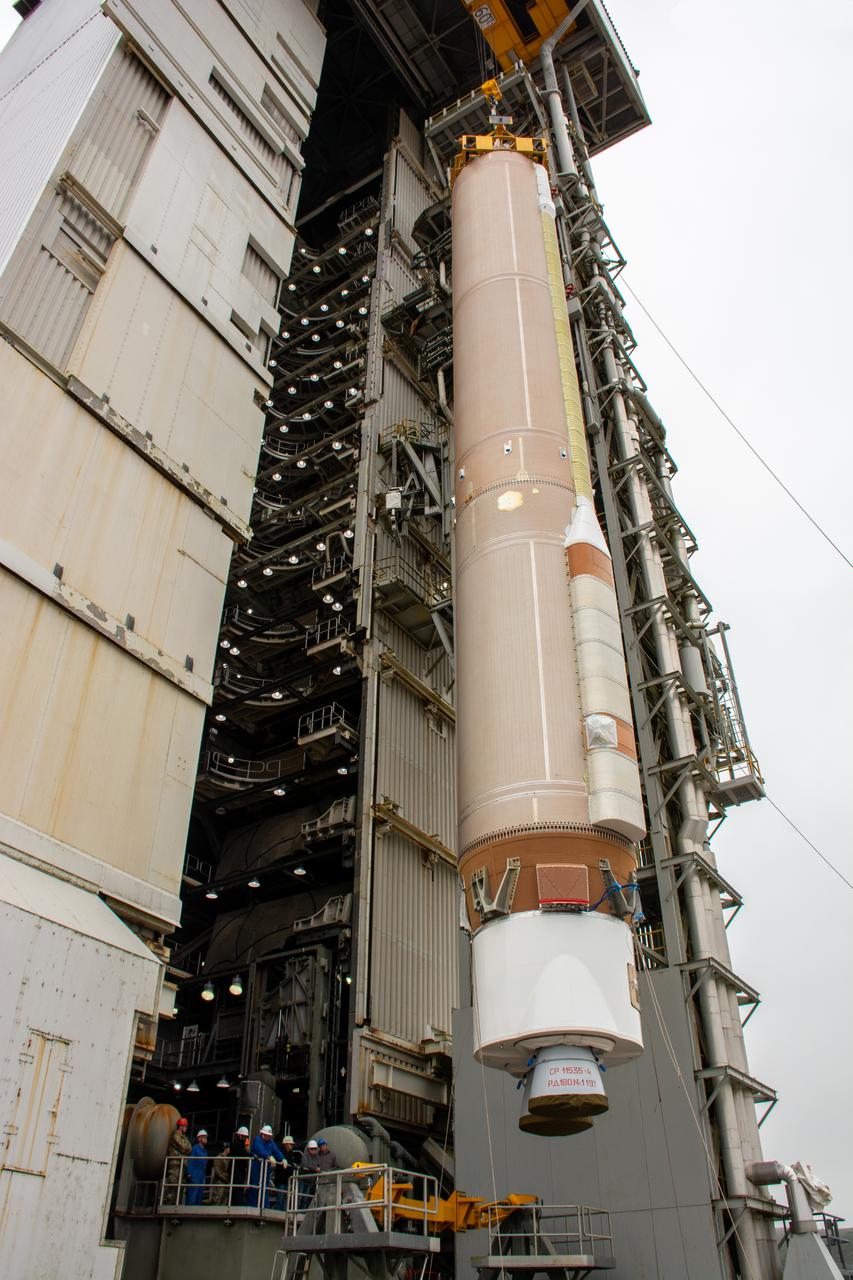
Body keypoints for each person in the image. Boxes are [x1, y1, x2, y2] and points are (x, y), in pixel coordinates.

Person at [300, 1137, 339, 1230]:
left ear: (326, 1145)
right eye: (320, 1146)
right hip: (315, 1180)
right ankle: (304, 1212)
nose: (321, 1147)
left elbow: (336, 1166)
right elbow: (307, 1165)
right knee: (306, 1197)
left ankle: (315, 1214)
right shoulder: (316, 1156)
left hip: (327, 1181)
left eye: (323, 1145)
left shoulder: (332, 1155)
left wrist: (330, 1173)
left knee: (316, 1199)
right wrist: (316, 1170)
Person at [247, 1124, 286, 1207]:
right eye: (268, 1135)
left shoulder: (270, 1142)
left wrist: (283, 1159)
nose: (269, 1137)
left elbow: (276, 1151)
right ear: (263, 1134)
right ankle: (252, 1205)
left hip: (265, 1168)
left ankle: (264, 1206)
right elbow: (259, 1149)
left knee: (264, 1187)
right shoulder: (257, 1140)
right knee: (254, 1186)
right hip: (256, 1166)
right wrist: (268, 1156)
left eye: (270, 1136)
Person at [163, 1117, 192, 1205]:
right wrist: (185, 1149)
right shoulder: (175, 1136)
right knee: (173, 1186)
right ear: (181, 1126)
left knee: (179, 1188)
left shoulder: (184, 1137)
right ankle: (167, 1206)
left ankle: (174, 1206)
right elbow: (184, 1147)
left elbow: (190, 1148)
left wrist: (186, 1148)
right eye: (185, 1126)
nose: (186, 1128)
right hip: (175, 1165)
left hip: (181, 1164)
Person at [273, 1134, 299, 1209]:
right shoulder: (280, 1153)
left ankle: (283, 1212)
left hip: (287, 1180)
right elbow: (281, 1164)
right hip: (281, 1179)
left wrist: (293, 1164)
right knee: (280, 1197)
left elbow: (290, 1162)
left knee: (285, 1198)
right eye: (291, 1144)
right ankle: (278, 1212)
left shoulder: (291, 1154)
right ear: (286, 1144)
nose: (292, 1146)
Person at [228, 1125, 251, 1206]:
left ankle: (236, 1205)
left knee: (239, 1189)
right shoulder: (236, 1144)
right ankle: (236, 1206)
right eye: (244, 1137)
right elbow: (243, 1154)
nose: (246, 1139)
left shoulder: (242, 1145)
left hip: (240, 1171)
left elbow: (246, 1151)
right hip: (235, 1172)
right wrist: (251, 1155)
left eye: (246, 1137)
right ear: (240, 1136)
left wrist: (247, 1145)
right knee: (236, 1191)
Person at [185, 1128, 209, 1205]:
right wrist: (189, 1173)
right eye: (204, 1137)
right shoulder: (195, 1148)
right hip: (195, 1175)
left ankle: (197, 1211)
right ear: (199, 1138)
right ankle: (189, 1211)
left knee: (199, 1196)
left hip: (201, 1176)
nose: (206, 1138)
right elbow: (191, 1160)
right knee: (192, 1196)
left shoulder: (205, 1151)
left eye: (206, 1137)